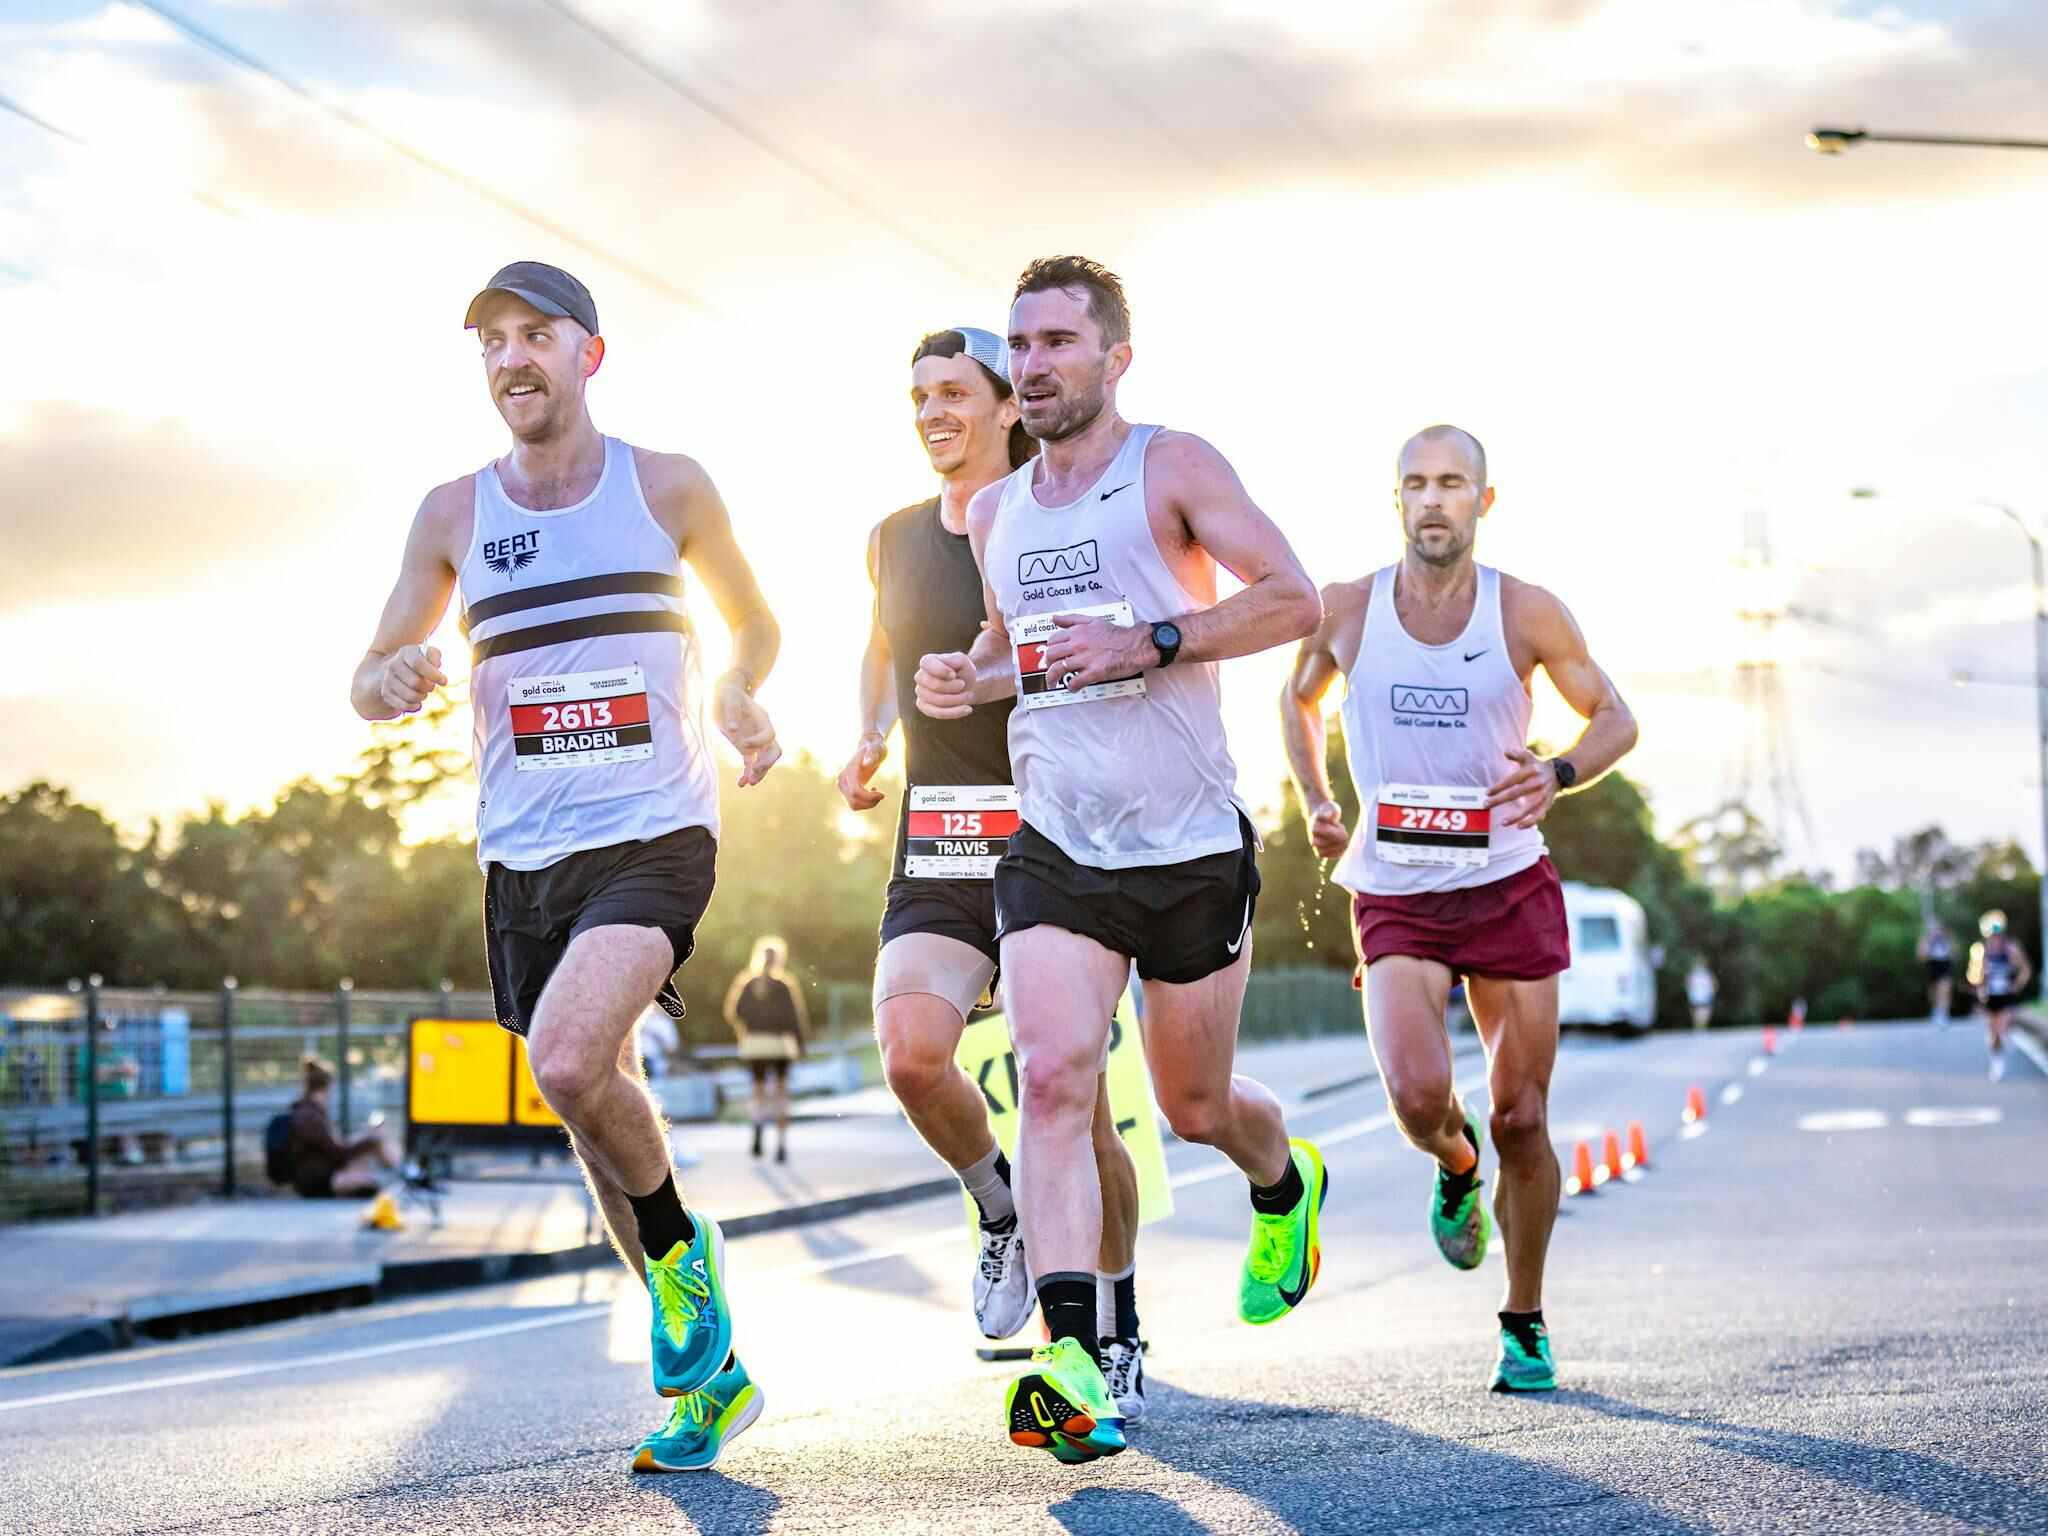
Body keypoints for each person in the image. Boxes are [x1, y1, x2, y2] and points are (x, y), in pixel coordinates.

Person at [349, 261, 780, 1474]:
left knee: (570, 1055)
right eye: (489, 341)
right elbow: (373, 669)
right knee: (589, 1107)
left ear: (588, 353)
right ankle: (713, 1379)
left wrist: (740, 688)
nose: (509, 360)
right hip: (522, 852)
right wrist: (389, 681)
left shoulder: (668, 486)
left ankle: (682, 1270)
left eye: (532, 335)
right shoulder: (451, 514)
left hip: (653, 831)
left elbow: (755, 620)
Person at [917, 257, 1327, 1461]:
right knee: (1051, 1079)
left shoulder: (1175, 465)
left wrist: (1154, 636)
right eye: (1019, 345)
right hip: (1055, 843)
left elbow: (1292, 600)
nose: (1032, 365)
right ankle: (1071, 1354)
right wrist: (970, 675)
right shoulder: (994, 513)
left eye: (1054, 342)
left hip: (1189, 843)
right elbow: (1016, 654)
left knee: (1195, 1105)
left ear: (1112, 357)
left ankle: (1278, 1177)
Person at [1281, 423, 1639, 1393]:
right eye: (1413, 484)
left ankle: (1521, 1320)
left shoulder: (1522, 612)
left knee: (1521, 1115)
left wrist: (1558, 773)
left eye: (1450, 483)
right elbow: (1298, 699)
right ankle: (1451, 1162)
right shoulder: (1347, 608)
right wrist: (1318, 798)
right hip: (1394, 886)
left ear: (1482, 501)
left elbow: (1615, 718)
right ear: (1392, 501)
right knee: (1412, 1096)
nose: (1430, 500)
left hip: (1505, 881)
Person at [838, 326, 1151, 1427]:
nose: (932, 409)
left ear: (1006, 406)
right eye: (916, 393)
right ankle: (1000, 1208)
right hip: (940, 834)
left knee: (1073, 1102)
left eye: (953, 391)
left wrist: (994, 676)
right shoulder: (888, 535)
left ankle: (1111, 1319)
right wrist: (869, 735)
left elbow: (1104, 649)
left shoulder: (1050, 521)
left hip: (1055, 835)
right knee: (912, 1054)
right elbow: (882, 647)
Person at [722, 937, 809, 1163]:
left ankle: (758, 1127)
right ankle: (781, 1146)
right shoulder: (784, 986)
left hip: (754, 1045)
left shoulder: (748, 983)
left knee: (758, 1091)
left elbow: (734, 1012)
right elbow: (794, 1019)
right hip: (779, 1045)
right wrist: (800, 1045)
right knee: (781, 1094)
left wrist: (751, 1026)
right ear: (779, 959)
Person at [285, 1058, 402, 1198]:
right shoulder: (309, 1117)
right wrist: (366, 1138)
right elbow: (337, 1154)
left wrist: (364, 1136)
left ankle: (405, 1173)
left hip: (325, 1172)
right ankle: (405, 1174)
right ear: (326, 1087)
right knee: (375, 1151)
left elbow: (334, 1147)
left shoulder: (312, 1112)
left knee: (374, 1140)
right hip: (317, 1180)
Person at [1967, 910, 2031, 1081]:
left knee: (2002, 1025)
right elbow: (1973, 976)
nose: (1994, 939)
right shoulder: (1979, 951)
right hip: (1989, 996)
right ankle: (1996, 1058)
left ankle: (2004, 1046)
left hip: (2006, 995)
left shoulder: (2011, 949)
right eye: (1991, 936)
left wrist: (2017, 985)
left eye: (1997, 935)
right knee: (1993, 1031)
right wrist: (1980, 979)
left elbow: (2025, 969)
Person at [1918, 919, 1956, 1028]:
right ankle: (1936, 1010)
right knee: (1933, 992)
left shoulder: (1947, 938)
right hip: (1932, 965)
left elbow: (1954, 953)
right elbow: (1921, 956)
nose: (1936, 931)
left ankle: (1943, 1013)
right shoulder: (1927, 939)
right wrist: (1928, 942)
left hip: (1945, 965)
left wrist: (1949, 942)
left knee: (1945, 989)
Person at [1686, 960, 1717, 1031]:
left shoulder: (1697, 974)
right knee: (1702, 1011)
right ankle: (1700, 1027)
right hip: (1700, 995)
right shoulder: (1705, 974)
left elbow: (1688, 983)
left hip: (1701, 995)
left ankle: (1700, 1027)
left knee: (1701, 1011)